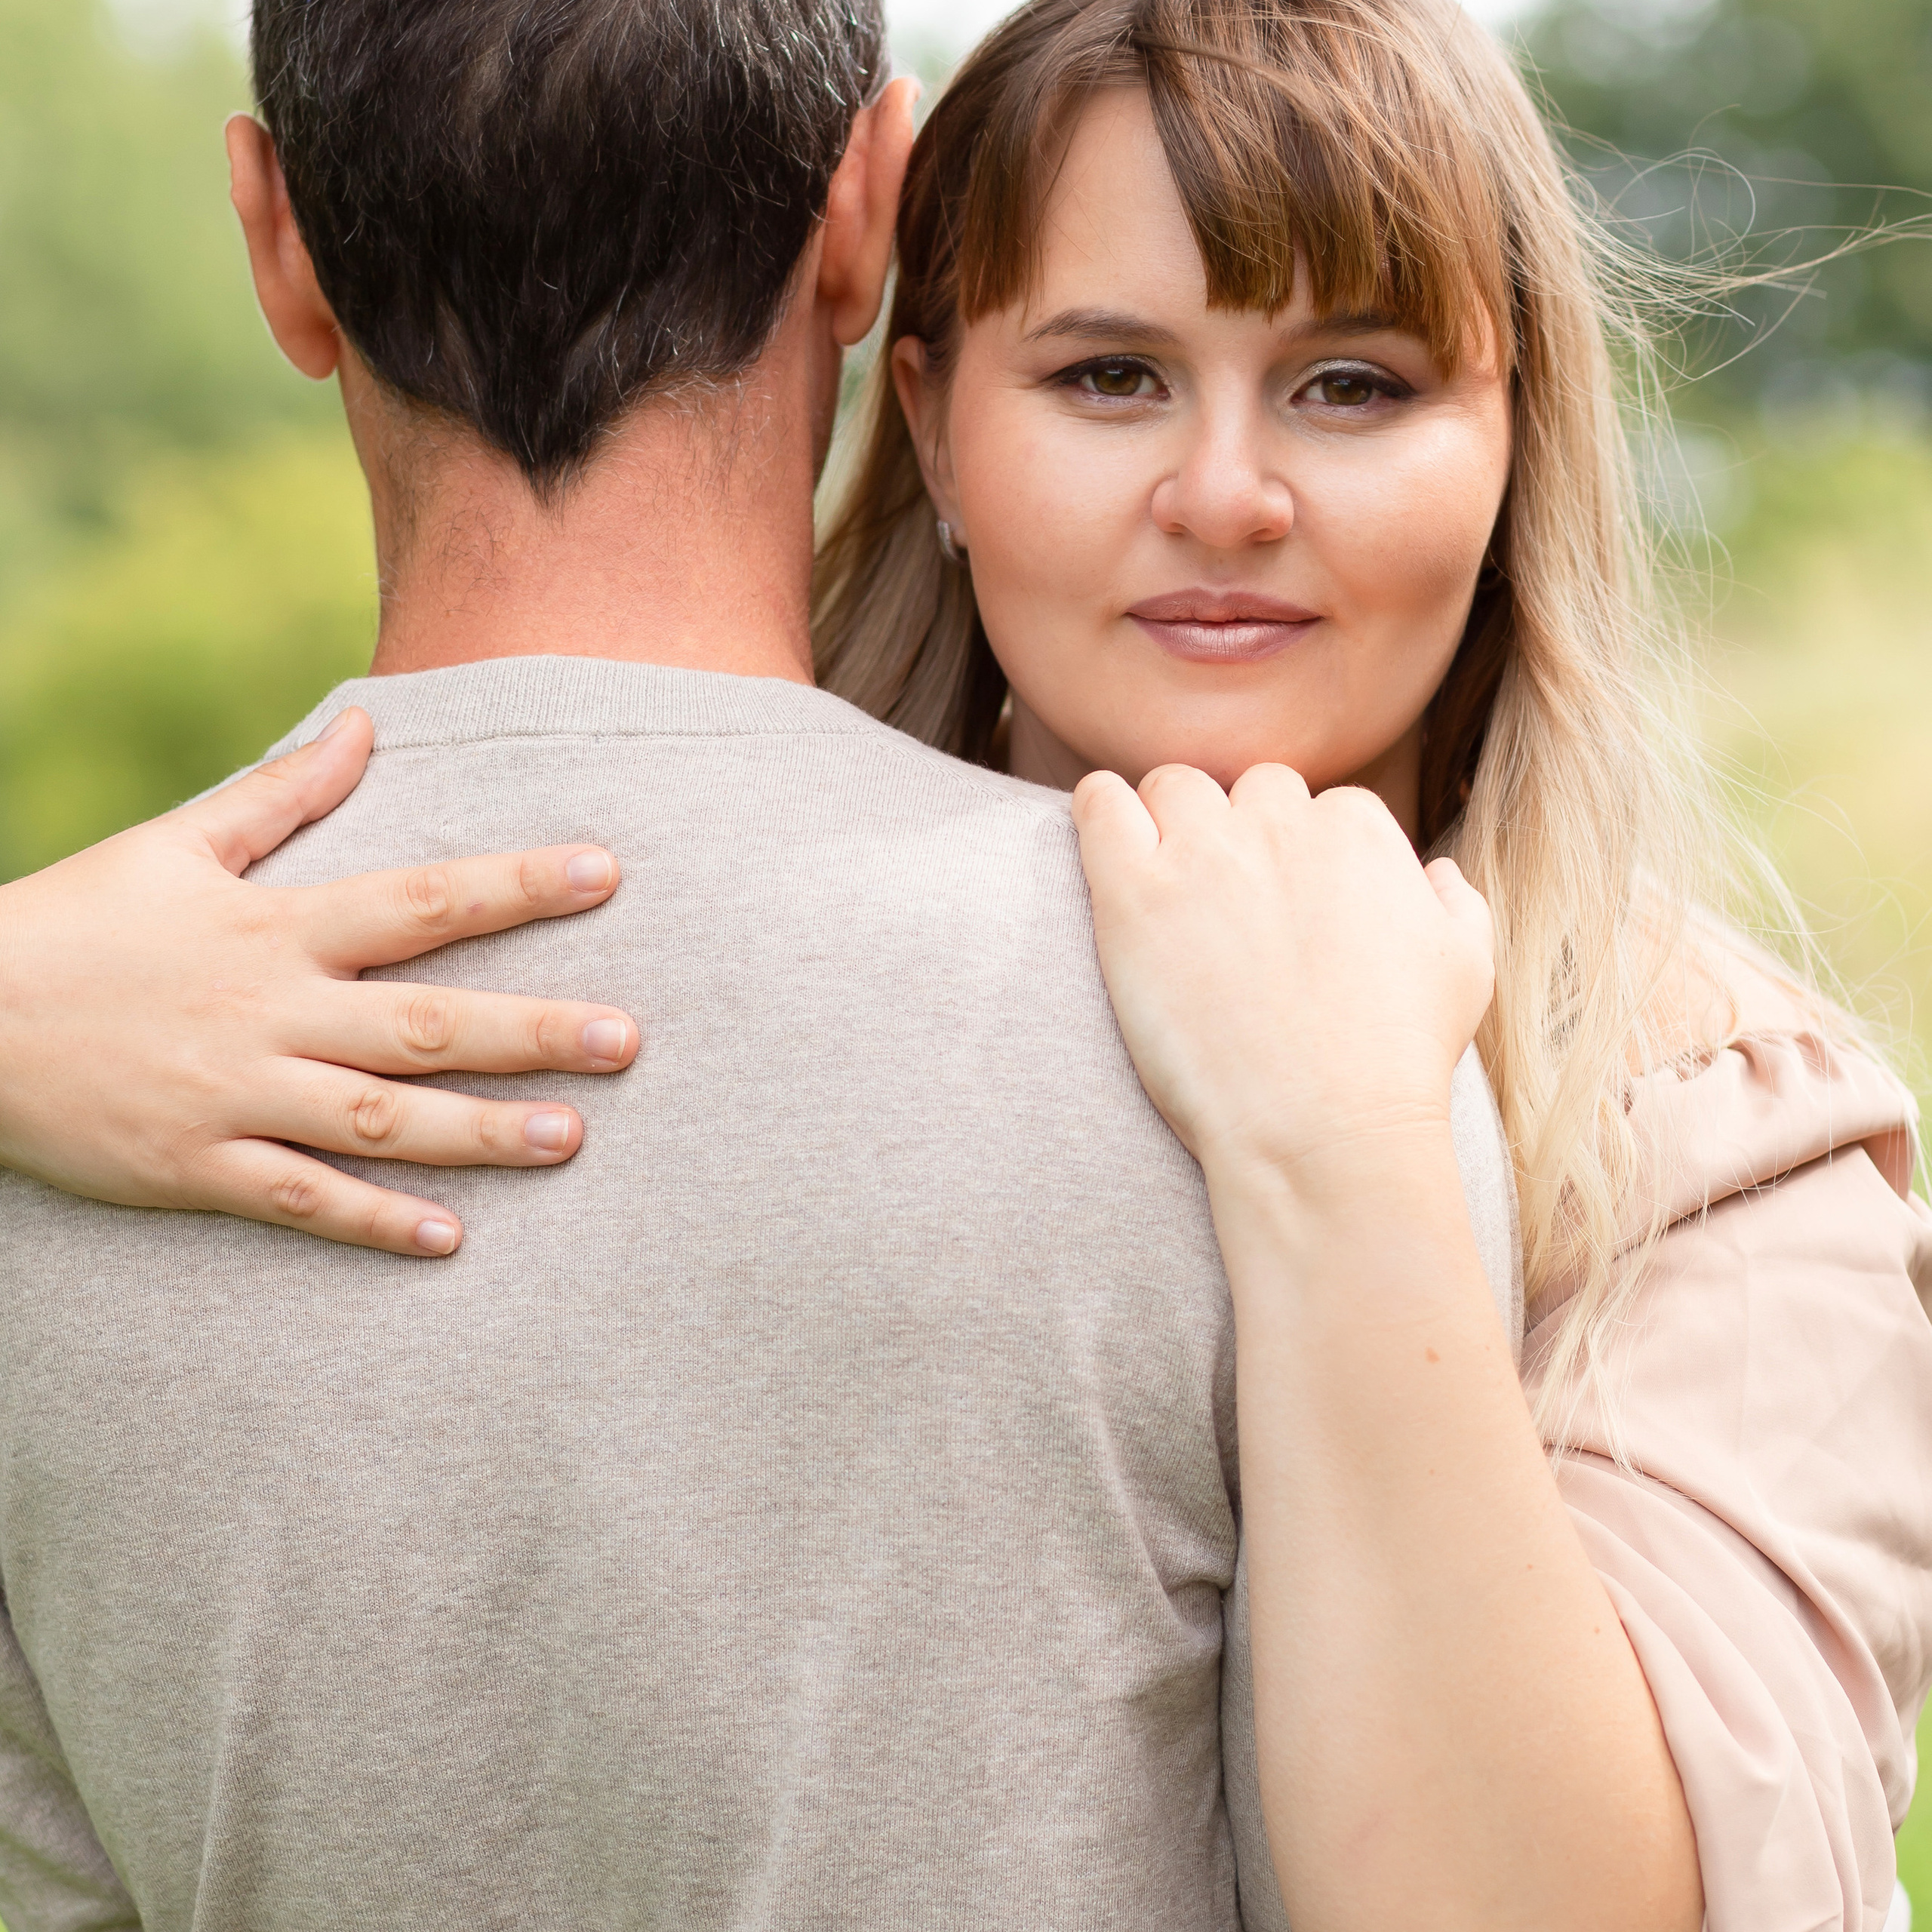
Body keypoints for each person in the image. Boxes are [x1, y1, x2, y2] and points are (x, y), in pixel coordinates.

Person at [0, 0, 1927, 1928]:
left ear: (1516, 439)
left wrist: (1345, 1159)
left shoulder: (1700, 1116)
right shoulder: (244, 988)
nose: (1228, 495)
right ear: (924, 408)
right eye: (1107, 377)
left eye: (1351, 384)